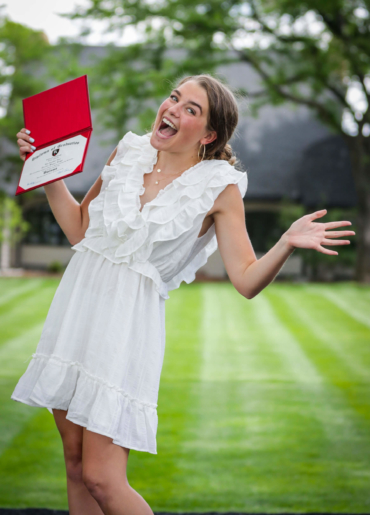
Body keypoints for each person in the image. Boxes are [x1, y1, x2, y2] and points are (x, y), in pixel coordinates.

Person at [12, 74, 355, 515]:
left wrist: (286, 241)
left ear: (209, 134)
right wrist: (48, 169)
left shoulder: (219, 186)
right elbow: (80, 230)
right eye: (174, 98)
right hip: (78, 310)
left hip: (125, 330)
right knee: (76, 464)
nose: (173, 108)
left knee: (103, 477)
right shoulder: (128, 150)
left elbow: (247, 280)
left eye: (191, 109)